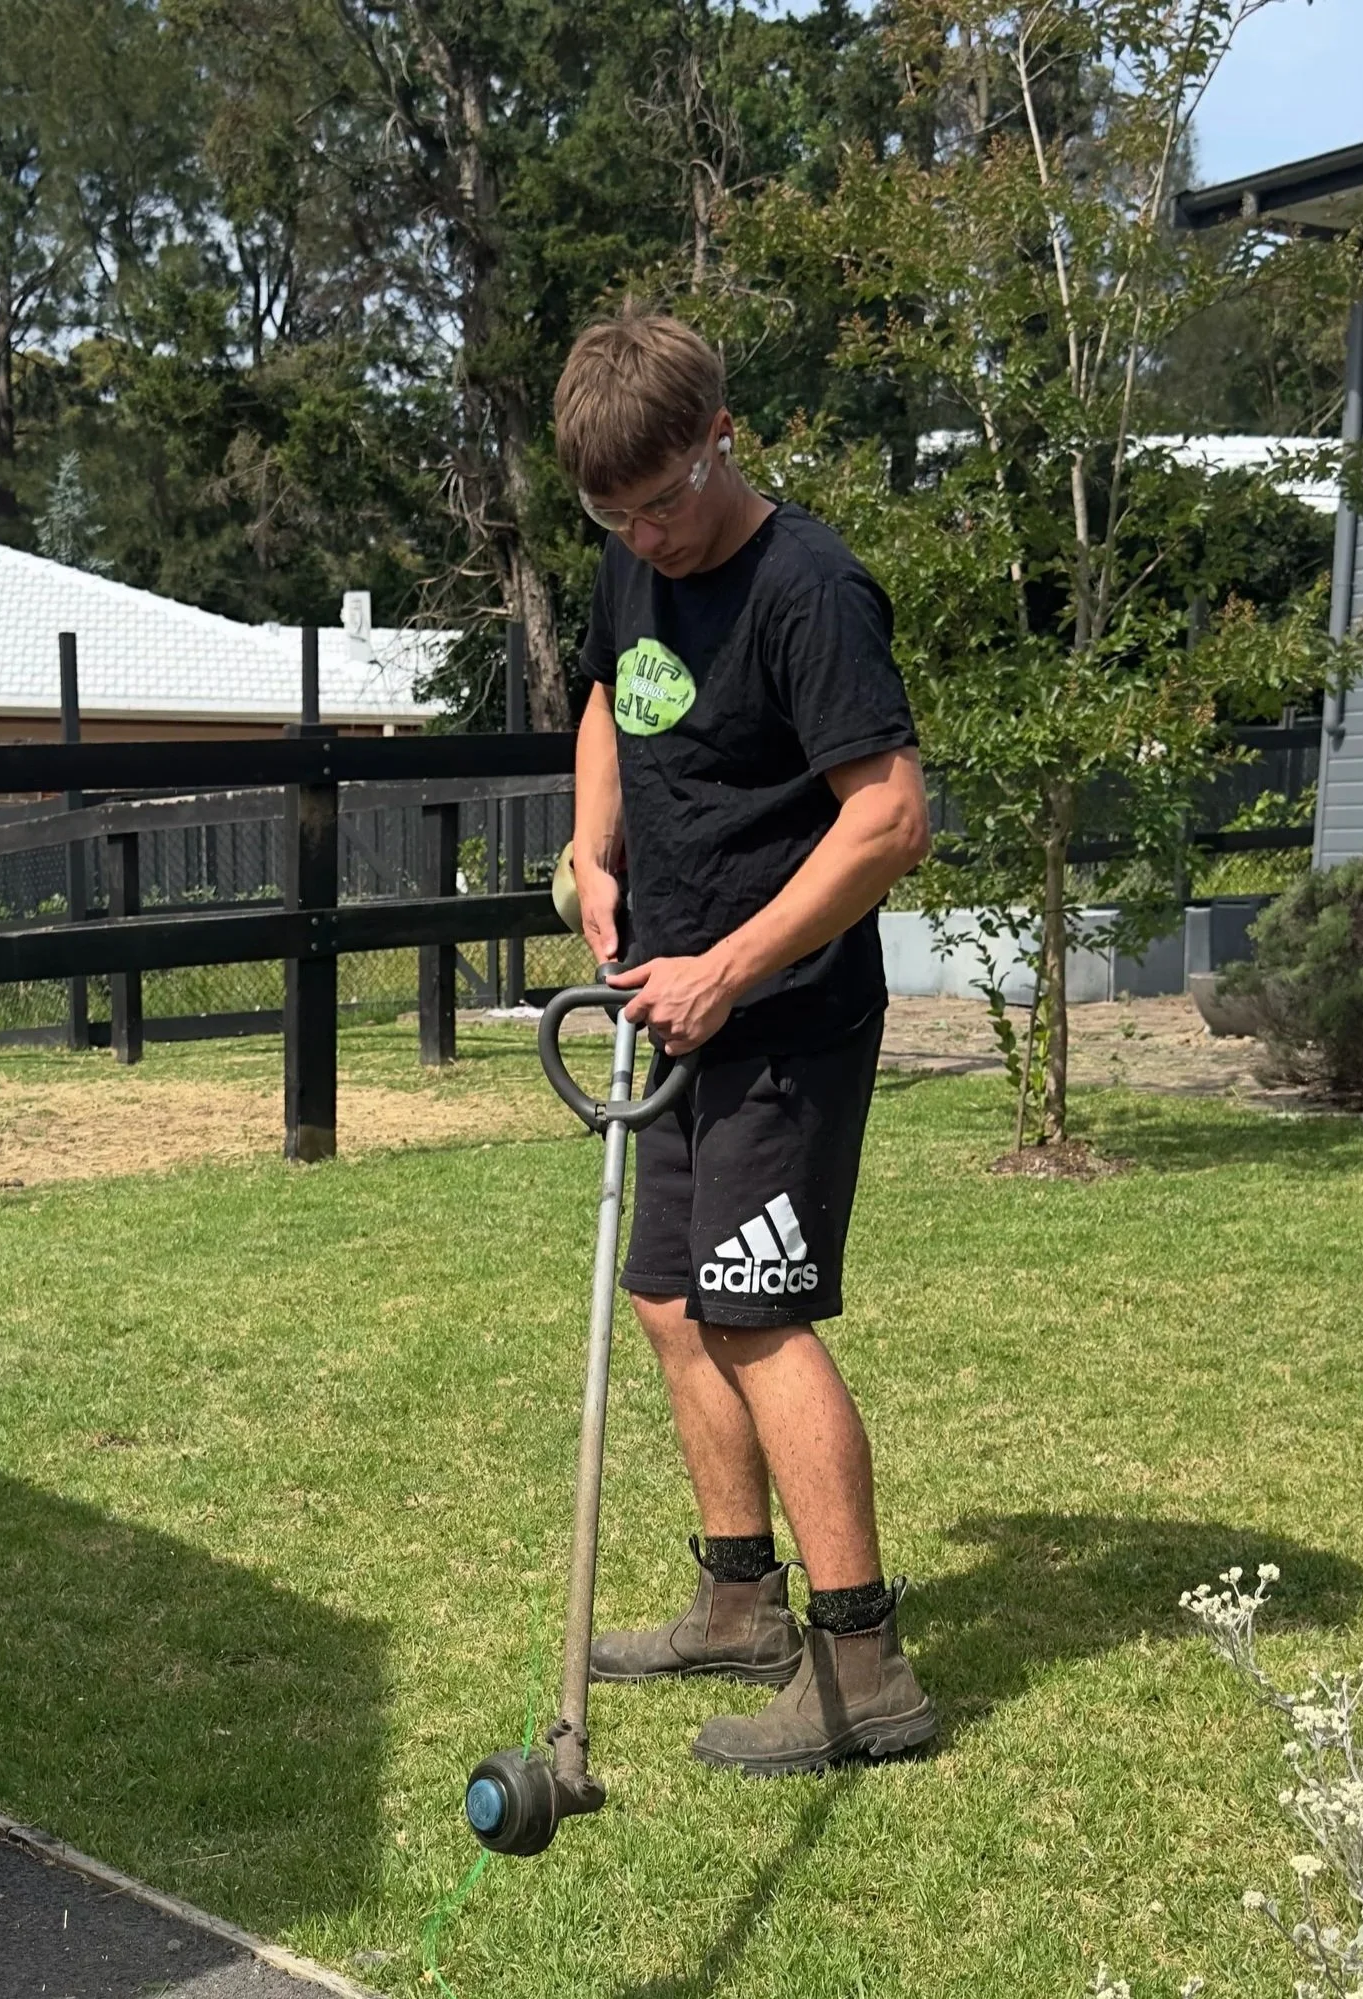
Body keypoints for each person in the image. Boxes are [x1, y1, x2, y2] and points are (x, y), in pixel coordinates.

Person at [556, 306, 937, 1776]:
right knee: (669, 1297)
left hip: (782, 1010)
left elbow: (887, 819)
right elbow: (604, 697)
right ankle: (735, 1601)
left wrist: (728, 962)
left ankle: (864, 1667)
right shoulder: (625, 559)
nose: (644, 534)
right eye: (612, 512)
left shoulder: (810, 589)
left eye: (664, 501)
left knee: (755, 1311)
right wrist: (592, 852)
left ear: (724, 436)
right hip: (667, 1001)